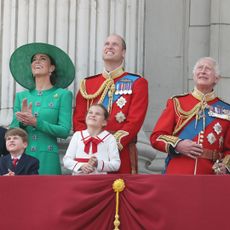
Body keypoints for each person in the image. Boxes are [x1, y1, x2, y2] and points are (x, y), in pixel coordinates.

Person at [73, 34, 148, 174]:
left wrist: (110, 144)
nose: (109, 46)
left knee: (119, 192)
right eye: (107, 43)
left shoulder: (137, 83)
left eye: (115, 44)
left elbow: (135, 120)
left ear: (123, 53)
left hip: (121, 150)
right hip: (89, 151)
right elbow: (78, 120)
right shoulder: (87, 84)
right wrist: (88, 142)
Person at [150, 57, 230, 175]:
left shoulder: (226, 110)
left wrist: (225, 166)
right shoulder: (176, 102)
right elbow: (157, 137)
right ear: (194, 75)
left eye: (208, 69)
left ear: (216, 78)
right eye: (199, 68)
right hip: (178, 172)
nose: (203, 71)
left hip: (210, 175)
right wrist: (178, 145)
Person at [9, 42, 75, 175]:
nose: (37, 62)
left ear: (51, 68)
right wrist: (22, 121)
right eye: (34, 60)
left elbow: (64, 131)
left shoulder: (63, 95)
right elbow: (12, 131)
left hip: (48, 158)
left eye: (42, 59)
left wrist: (36, 122)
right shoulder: (21, 96)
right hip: (23, 158)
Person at [63, 104, 120, 175]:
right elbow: (66, 160)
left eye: (97, 114)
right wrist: (81, 166)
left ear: (104, 122)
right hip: (78, 180)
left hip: (99, 181)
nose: (93, 115)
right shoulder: (77, 135)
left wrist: (98, 164)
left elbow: (116, 164)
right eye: (90, 112)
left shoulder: (109, 138)